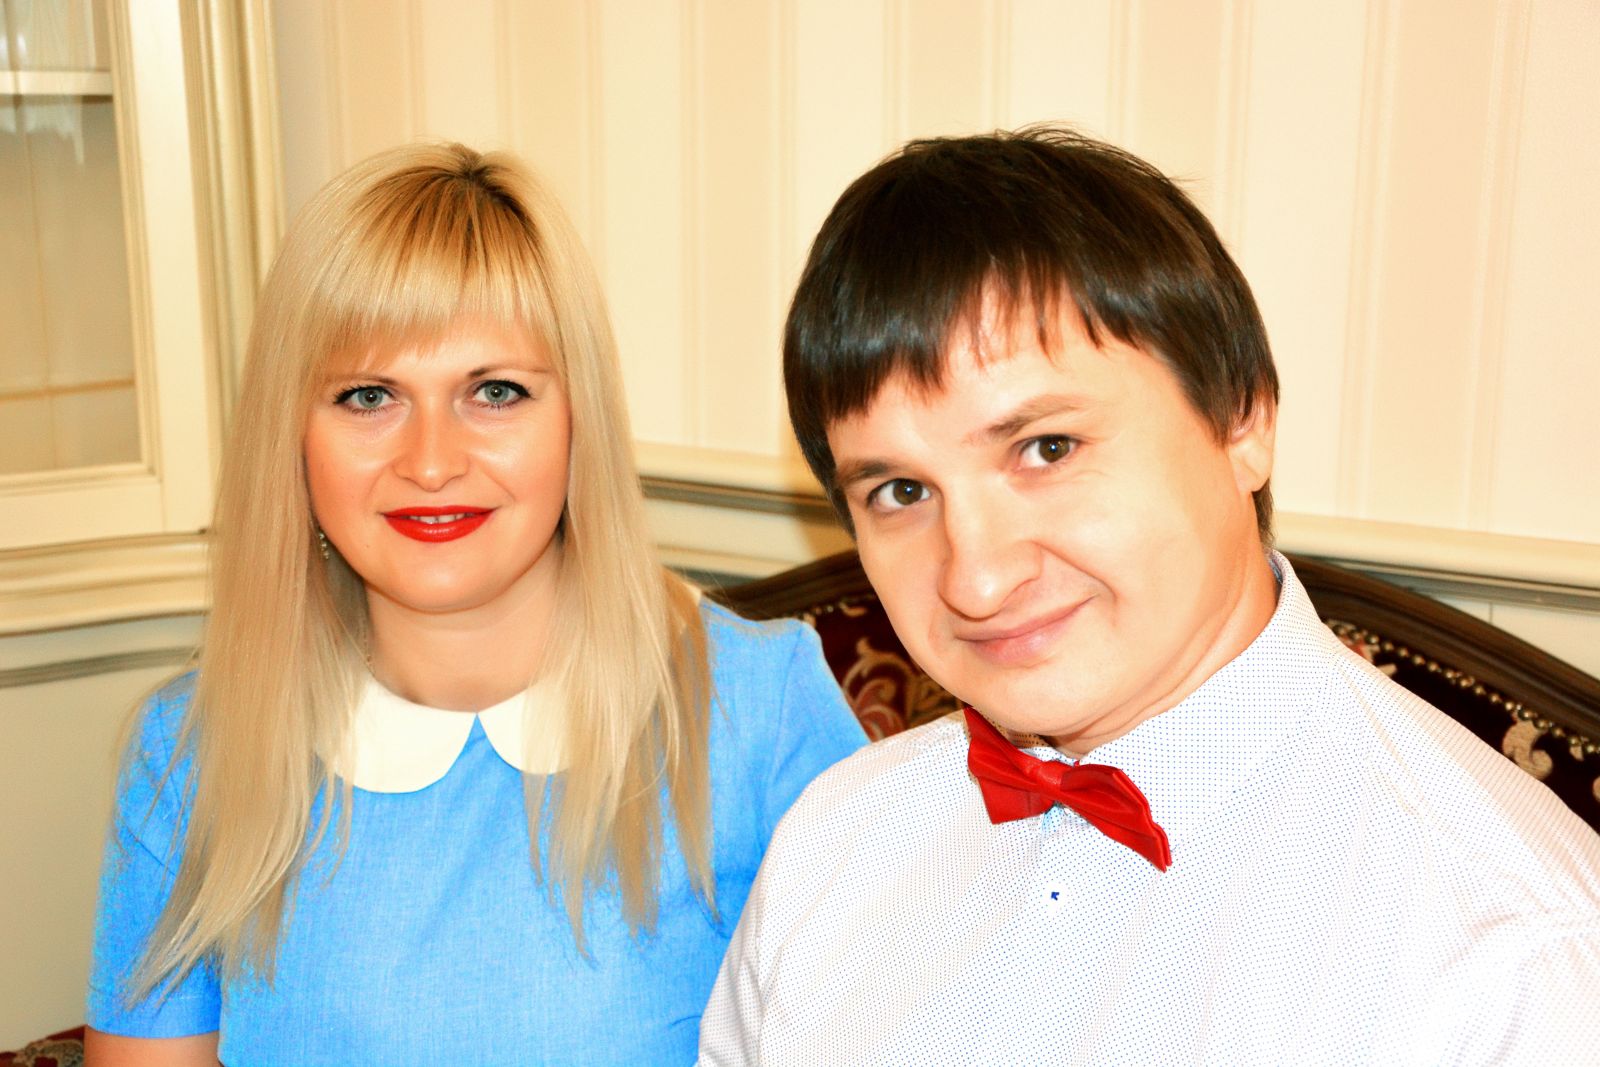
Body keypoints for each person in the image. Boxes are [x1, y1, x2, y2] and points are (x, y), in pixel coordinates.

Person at [699, 127, 1600, 1064]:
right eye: (900, 492)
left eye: (1047, 449)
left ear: (1242, 419)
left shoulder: (1510, 961)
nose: (977, 579)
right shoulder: (831, 846)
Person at [84, 142, 865, 1066]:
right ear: (291, 433)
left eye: (495, 392)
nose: (430, 462)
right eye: (368, 396)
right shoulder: (190, 751)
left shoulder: (760, 712)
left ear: (578, 420)